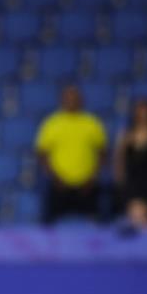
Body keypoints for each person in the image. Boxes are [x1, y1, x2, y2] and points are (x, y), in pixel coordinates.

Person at [34, 85, 107, 223]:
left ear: (81, 100)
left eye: (74, 98)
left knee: (96, 222)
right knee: (50, 223)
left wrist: (93, 177)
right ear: (62, 101)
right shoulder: (52, 123)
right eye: (68, 99)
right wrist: (55, 178)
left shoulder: (92, 123)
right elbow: (42, 155)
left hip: (87, 185)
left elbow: (102, 153)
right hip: (59, 184)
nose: (71, 101)